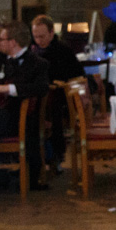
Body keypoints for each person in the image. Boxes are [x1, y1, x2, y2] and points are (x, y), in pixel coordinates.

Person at [0, 21, 50, 205]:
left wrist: (7, 89)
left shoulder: (37, 63)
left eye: (3, 39)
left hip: (18, 120)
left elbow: (41, 87)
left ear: (13, 42)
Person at [31, 15, 82, 172]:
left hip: (59, 98)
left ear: (52, 33)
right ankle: (33, 158)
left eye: (42, 36)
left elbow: (76, 75)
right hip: (36, 96)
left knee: (52, 109)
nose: (39, 40)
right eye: (35, 37)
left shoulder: (63, 51)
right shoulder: (30, 52)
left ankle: (54, 155)